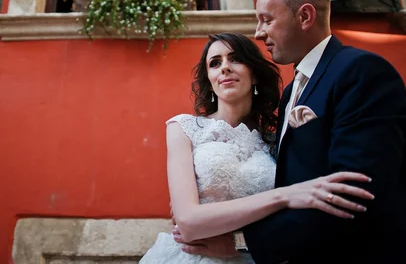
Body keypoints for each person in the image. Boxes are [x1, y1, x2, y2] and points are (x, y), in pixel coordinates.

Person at [176, 0, 406, 263]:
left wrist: (246, 244)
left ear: (304, 17)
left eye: (267, 19)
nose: (259, 32)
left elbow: (355, 193)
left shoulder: (360, 71)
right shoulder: (292, 93)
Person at [140, 32, 374, 264]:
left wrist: (238, 245)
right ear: (209, 81)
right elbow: (188, 222)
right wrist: (283, 197)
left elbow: (296, 215)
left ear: (254, 75)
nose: (225, 68)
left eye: (236, 59)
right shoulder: (183, 128)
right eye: (215, 63)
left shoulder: (276, 140)